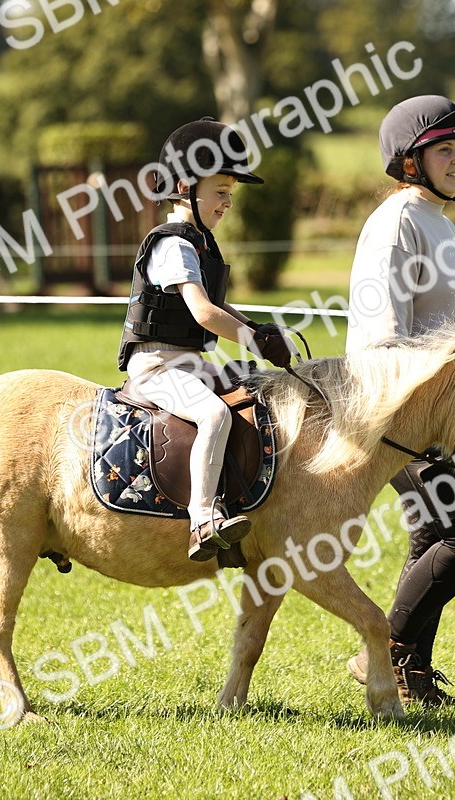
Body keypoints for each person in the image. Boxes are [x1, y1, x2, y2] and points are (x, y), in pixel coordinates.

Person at [344, 95, 455, 707]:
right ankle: (380, 653)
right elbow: (383, 334)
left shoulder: (434, 216)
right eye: (445, 150)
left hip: (445, 410)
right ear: (410, 161)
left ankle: (409, 676)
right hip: (403, 410)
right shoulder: (397, 222)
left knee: (434, 531)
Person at [117, 118, 293, 562]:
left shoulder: (202, 243)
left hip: (188, 360)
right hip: (157, 365)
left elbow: (221, 306)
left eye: (230, 193)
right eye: (220, 192)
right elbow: (203, 312)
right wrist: (253, 340)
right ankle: (202, 520)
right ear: (184, 186)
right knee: (215, 416)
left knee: (256, 393)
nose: (228, 203)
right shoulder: (173, 245)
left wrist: (261, 330)